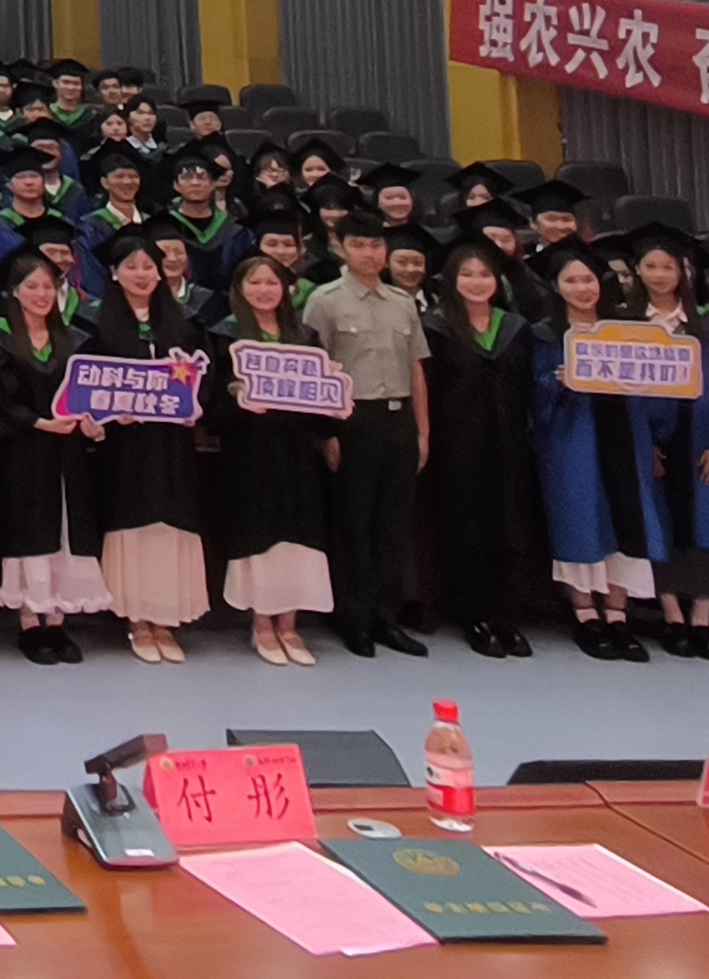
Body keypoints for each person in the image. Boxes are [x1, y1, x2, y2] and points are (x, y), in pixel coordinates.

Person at [301, 220, 431, 657]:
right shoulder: (325, 301)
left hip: (399, 419)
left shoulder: (402, 301)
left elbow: (416, 367)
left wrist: (422, 430)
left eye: (377, 244)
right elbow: (315, 371)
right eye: (359, 244)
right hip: (352, 419)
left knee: (393, 525)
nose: (370, 253)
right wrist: (325, 435)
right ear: (340, 248)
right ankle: (353, 619)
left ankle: (385, 617)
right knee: (353, 524)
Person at [82, 234, 207, 664]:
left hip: (172, 444)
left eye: (148, 267)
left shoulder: (183, 323)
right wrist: (107, 413)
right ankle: (137, 620)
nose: (141, 274)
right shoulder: (94, 323)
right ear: (114, 273)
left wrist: (194, 408)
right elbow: (85, 384)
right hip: (125, 447)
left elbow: (200, 381)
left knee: (171, 525)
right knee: (132, 526)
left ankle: (166, 620)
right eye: (131, 267)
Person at [204, 253, 333, 667]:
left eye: (272, 283)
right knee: (259, 536)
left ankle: (290, 626)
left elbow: (323, 397)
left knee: (299, 537)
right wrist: (235, 396)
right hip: (250, 452)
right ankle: (262, 624)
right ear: (239, 290)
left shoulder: (306, 337)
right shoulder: (225, 336)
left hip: (297, 451)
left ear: (287, 289)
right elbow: (210, 405)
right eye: (255, 283)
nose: (264, 290)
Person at [633, 229, 709, 660]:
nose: (660, 274)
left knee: (708, 522)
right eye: (651, 266)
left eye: (668, 266)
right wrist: (642, 443)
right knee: (659, 522)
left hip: (703, 437)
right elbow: (623, 392)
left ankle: (702, 619)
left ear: (683, 272)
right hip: (651, 438)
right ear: (637, 271)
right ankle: (672, 616)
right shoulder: (627, 325)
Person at [536, 244, 662, 661]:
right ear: (556, 286)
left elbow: (656, 389)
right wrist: (556, 382)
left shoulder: (627, 330)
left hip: (625, 435)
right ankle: (585, 613)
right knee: (580, 521)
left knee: (626, 519)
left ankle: (618, 615)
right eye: (571, 280)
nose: (582, 288)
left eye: (588, 279)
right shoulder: (546, 334)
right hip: (573, 440)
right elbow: (533, 395)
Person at [0, 251, 104, 663]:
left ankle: (57, 621)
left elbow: (90, 396)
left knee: (67, 529)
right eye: (31, 286)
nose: (41, 294)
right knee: (30, 530)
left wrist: (93, 423)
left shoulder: (75, 340)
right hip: (24, 451)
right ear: (15, 292)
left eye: (48, 286)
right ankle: (29, 623)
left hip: (68, 453)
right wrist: (38, 423)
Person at [423, 239, 538, 659]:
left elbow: (528, 387)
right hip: (457, 444)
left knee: (510, 530)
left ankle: (508, 617)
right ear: (451, 281)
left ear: (498, 280)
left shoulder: (516, 328)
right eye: (467, 274)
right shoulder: (436, 328)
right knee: (466, 529)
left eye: (484, 274)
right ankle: (473, 616)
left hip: (510, 444)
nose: (476, 281)